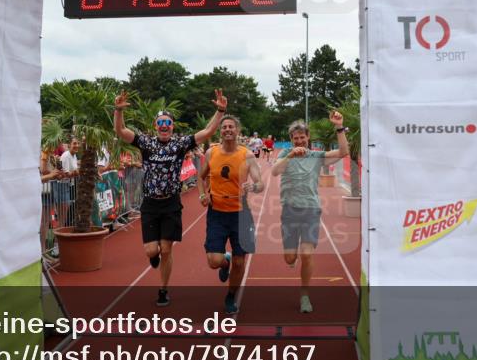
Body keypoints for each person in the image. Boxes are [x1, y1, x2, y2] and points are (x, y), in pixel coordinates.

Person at [114, 89, 228, 307]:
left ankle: (163, 289)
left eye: (168, 123)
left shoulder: (180, 144)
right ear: (155, 126)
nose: (164, 126)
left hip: (171, 203)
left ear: (172, 126)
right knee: (151, 250)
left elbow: (207, 131)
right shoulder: (146, 143)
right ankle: (153, 255)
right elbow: (120, 131)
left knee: (166, 249)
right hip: (150, 203)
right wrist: (118, 110)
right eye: (161, 123)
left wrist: (220, 111)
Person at [271, 112, 349, 313]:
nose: (299, 141)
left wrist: (339, 127)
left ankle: (305, 296)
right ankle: (292, 257)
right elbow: (274, 171)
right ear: (291, 140)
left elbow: (343, 152)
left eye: (302, 137)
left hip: (311, 210)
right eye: (295, 138)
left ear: (308, 137)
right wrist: (290, 155)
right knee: (290, 259)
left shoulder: (316, 156)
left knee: (307, 255)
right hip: (289, 210)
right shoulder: (284, 154)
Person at [196, 115, 263, 314]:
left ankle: (231, 295)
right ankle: (225, 262)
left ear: (237, 131)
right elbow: (200, 177)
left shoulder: (247, 155)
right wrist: (202, 194)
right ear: (221, 131)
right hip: (217, 213)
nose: (227, 129)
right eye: (224, 127)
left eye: (231, 127)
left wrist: (253, 186)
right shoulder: (211, 152)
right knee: (214, 261)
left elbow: (260, 183)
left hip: (241, 215)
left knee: (240, 261)